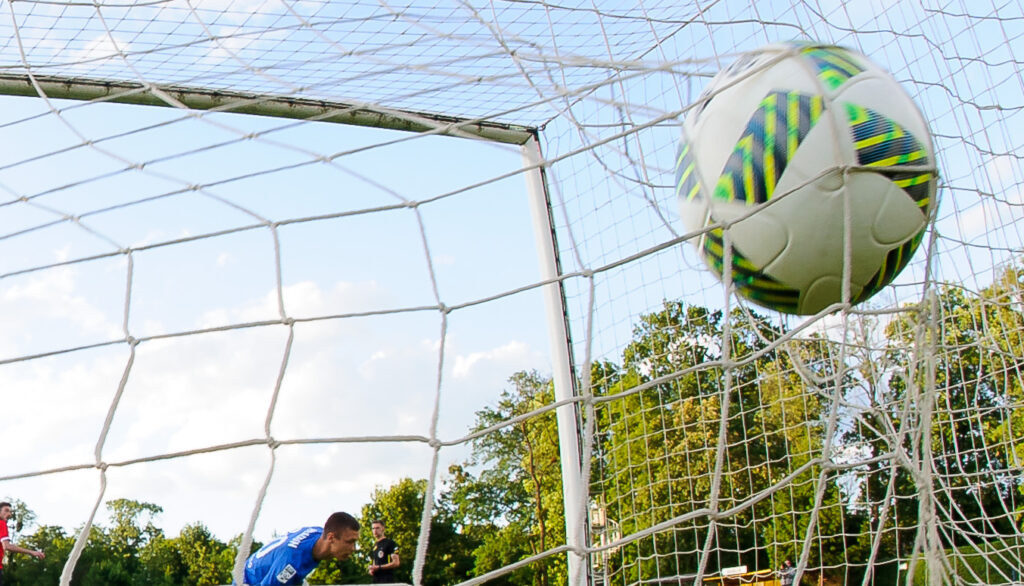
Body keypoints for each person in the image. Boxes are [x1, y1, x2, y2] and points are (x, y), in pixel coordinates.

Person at [243, 512, 360, 585]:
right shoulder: (292, 564)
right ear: (331, 538)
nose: (353, 549)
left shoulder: (318, 532)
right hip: (251, 579)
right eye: (349, 542)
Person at [0, 501, 45, 585]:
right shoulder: (1, 524)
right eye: (6, 510)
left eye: (10, 512)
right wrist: (31, 552)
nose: (9, 514)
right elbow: (7, 546)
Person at [367, 518, 400, 583]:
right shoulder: (375, 546)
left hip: (386, 580)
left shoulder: (390, 543)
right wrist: (372, 569)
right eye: (373, 528)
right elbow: (375, 563)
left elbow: (396, 563)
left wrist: (379, 567)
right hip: (375, 580)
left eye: (377, 528)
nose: (375, 531)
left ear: (383, 528)